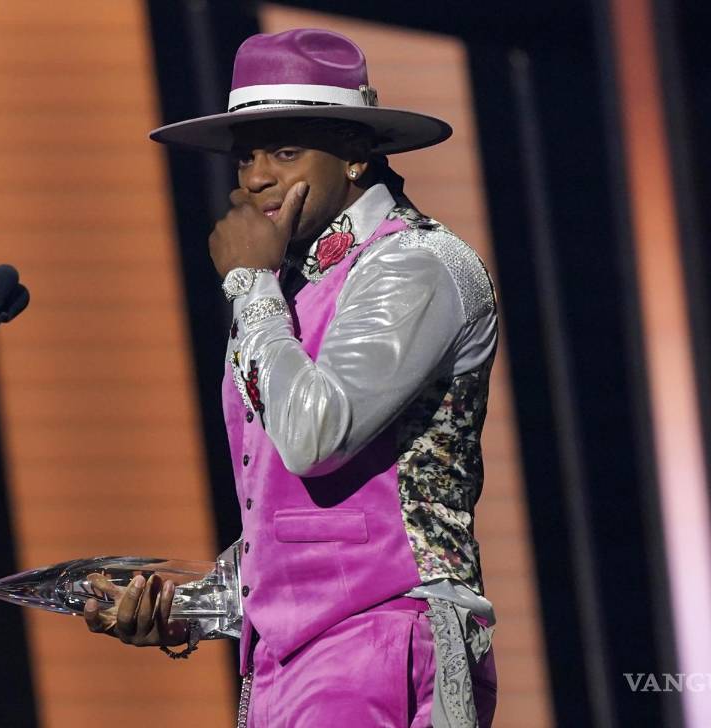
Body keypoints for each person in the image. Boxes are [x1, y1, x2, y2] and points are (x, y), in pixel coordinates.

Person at [83, 28, 500, 727]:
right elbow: (298, 522)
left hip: (391, 636)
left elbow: (315, 435)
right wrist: (183, 609)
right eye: (247, 154)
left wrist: (248, 283)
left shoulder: (414, 265)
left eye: (284, 150)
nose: (254, 178)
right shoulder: (292, 288)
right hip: (288, 661)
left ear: (358, 155)